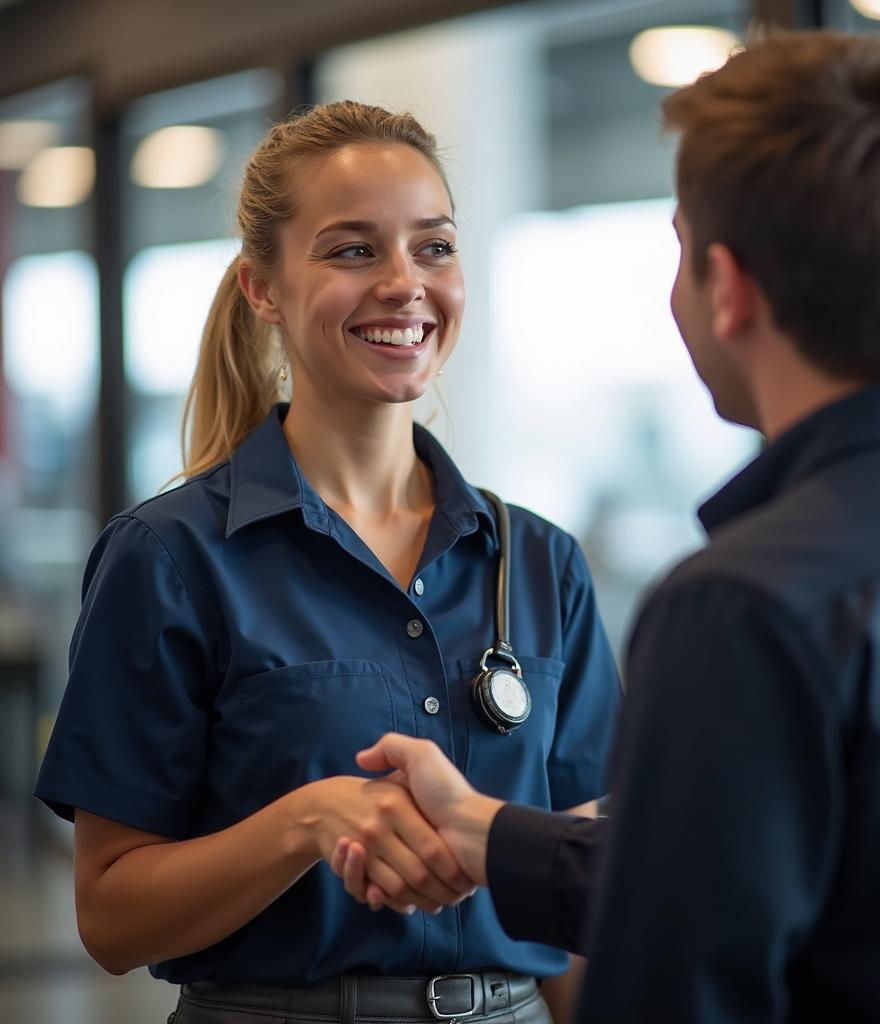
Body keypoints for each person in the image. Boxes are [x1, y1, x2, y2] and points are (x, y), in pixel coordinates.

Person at [335, 31, 880, 1023]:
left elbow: (680, 975)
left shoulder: (746, 605)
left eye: (678, 249)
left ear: (728, 288)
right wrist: (488, 830)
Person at [33, 100, 622, 1024]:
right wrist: (307, 821)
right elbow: (111, 916)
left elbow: (586, 897)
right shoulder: (173, 558)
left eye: (434, 247)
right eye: (353, 250)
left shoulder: (541, 564)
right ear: (262, 288)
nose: (404, 283)